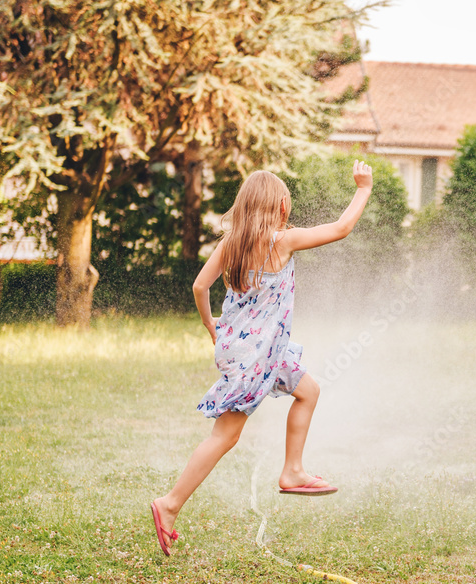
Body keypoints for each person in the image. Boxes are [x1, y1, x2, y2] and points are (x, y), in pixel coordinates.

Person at [150, 160, 374, 557]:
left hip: (254, 348)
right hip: (256, 355)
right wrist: (362, 189)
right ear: (281, 207)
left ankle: (292, 471)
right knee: (225, 435)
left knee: (308, 390)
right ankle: (169, 504)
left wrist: (210, 326)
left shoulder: (232, 242)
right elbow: (341, 228)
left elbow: (200, 286)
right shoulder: (279, 241)